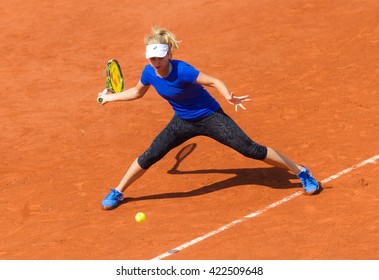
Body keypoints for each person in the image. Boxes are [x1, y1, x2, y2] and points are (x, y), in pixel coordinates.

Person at [98, 26, 319, 210]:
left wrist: (228, 96)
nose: (155, 62)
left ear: (168, 54)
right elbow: (137, 92)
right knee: (151, 155)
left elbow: (213, 81)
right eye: (151, 58)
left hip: (210, 116)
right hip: (182, 121)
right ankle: (118, 191)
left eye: (159, 57)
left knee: (250, 149)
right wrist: (111, 98)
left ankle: (302, 172)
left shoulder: (183, 70)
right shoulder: (148, 72)